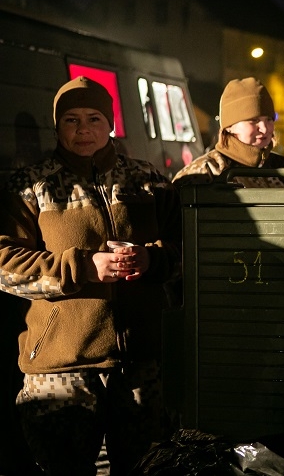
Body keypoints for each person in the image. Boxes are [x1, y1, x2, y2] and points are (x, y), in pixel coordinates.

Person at [0, 76, 182, 475]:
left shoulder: (147, 179)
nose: (83, 129)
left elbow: (186, 246)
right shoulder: (31, 185)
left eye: (94, 118)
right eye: (71, 120)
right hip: (62, 369)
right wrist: (82, 267)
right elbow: (5, 264)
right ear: (56, 126)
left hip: (140, 365)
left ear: (110, 122)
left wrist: (150, 260)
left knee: (145, 469)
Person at [173, 77, 284, 188]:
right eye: (254, 120)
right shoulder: (205, 173)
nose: (265, 129)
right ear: (229, 126)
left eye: (269, 120)